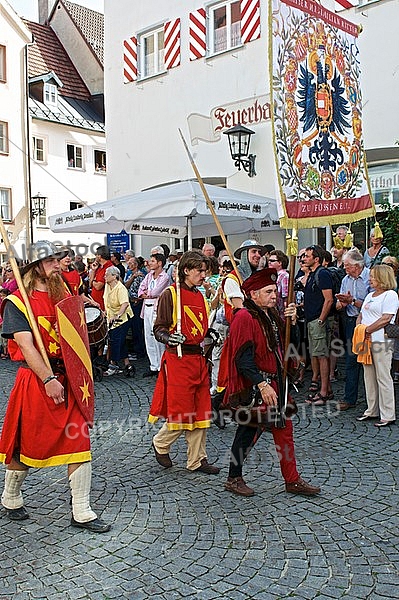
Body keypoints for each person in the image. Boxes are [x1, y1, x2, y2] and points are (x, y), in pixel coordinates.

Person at [0, 241, 110, 532]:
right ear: (35, 266)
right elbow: (26, 345)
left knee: (79, 439)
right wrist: (48, 379)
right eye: (52, 261)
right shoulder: (16, 302)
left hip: (69, 379)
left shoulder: (66, 294)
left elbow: (77, 336)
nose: (59, 265)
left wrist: (86, 310)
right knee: (27, 446)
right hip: (36, 380)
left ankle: (82, 510)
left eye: (59, 259)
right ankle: (11, 496)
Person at [223, 268, 321, 497]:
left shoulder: (271, 314)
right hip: (258, 387)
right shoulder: (244, 317)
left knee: (284, 431)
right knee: (247, 432)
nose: (274, 294)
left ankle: (292, 479)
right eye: (268, 291)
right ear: (253, 294)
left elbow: (288, 345)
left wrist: (293, 322)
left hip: (278, 384)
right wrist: (261, 384)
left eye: (275, 290)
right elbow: (242, 359)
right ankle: (233, 478)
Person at [148, 250, 220, 474]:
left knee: (200, 410)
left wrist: (209, 333)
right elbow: (158, 328)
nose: (203, 275)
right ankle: (161, 443)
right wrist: (169, 337)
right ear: (186, 270)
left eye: (205, 271)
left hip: (197, 359)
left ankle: (197, 459)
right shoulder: (171, 294)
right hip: (178, 359)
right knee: (183, 410)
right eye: (199, 270)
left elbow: (197, 324)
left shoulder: (199, 295)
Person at [355, 264, 399, 427]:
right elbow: (361, 314)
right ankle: (372, 410)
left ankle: (388, 413)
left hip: (382, 341)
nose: (370, 278)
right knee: (369, 376)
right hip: (366, 340)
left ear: (382, 277)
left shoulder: (390, 295)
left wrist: (366, 329)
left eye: (373, 276)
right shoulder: (370, 295)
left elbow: (386, 318)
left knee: (383, 376)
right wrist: (359, 327)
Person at [335, 249, 372, 411]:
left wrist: (353, 301)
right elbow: (339, 306)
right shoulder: (345, 279)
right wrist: (342, 303)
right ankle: (349, 398)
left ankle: (374, 401)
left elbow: (373, 305)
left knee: (371, 363)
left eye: (347, 265)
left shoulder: (371, 277)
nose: (345, 268)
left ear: (357, 265)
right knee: (351, 361)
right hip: (351, 323)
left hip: (370, 324)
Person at [302, 245, 334, 406]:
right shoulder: (314, 273)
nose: (303, 258)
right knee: (317, 355)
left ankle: (323, 392)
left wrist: (321, 319)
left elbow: (329, 299)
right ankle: (326, 389)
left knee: (322, 356)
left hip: (317, 321)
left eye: (307, 256)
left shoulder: (322, 274)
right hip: (312, 320)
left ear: (316, 259)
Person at [138, 252, 170, 376]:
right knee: (148, 336)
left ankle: (162, 364)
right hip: (146, 306)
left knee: (157, 335)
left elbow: (156, 291)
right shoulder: (149, 275)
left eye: (152, 261)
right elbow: (142, 288)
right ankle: (153, 365)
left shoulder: (165, 277)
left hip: (157, 307)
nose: (149, 263)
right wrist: (145, 293)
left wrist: (147, 293)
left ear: (159, 263)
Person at [103, 266, 134, 376]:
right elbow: (107, 301)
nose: (104, 276)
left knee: (115, 342)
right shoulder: (108, 286)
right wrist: (105, 312)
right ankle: (127, 363)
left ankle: (113, 365)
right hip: (111, 317)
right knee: (120, 341)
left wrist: (117, 315)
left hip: (123, 318)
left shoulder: (121, 288)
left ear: (114, 276)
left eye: (107, 274)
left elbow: (125, 304)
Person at [124, 256, 146, 359]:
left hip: (137, 303)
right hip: (130, 303)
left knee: (137, 328)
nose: (129, 264)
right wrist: (132, 277)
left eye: (131, 263)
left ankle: (140, 352)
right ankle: (136, 350)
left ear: (136, 265)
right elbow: (126, 286)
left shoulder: (141, 275)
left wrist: (139, 299)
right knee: (133, 328)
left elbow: (142, 290)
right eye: (128, 262)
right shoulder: (130, 274)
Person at [88, 245, 113, 311]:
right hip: (96, 303)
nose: (95, 256)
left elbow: (98, 286)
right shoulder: (99, 267)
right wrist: (93, 271)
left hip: (103, 305)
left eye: (96, 254)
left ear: (100, 256)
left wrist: (93, 280)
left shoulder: (108, 268)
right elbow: (90, 285)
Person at [268, 249, 289, 320]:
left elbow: (286, 298)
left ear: (280, 262)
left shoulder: (284, 276)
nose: (269, 262)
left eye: (272, 261)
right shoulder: (272, 275)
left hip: (282, 316)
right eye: (269, 260)